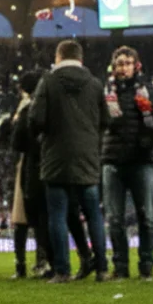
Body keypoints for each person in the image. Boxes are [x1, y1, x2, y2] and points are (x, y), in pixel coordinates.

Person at [30, 40, 109, 284]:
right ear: (80, 58)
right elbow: (106, 120)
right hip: (87, 157)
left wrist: (47, 136)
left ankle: (62, 270)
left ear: (58, 57)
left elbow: (35, 118)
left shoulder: (49, 81)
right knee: (93, 214)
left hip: (56, 156)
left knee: (57, 215)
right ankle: (102, 269)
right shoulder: (95, 84)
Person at [101, 47, 153, 281]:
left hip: (141, 160)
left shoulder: (147, 90)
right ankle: (120, 266)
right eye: (119, 63)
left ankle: (146, 266)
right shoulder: (105, 91)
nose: (123, 67)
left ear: (136, 65)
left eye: (128, 63)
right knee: (115, 218)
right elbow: (98, 122)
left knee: (146, 217)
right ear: (114, 66)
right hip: (113, 160)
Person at [10, 71, 50, 279]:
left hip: (29, 167)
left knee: (22, 219)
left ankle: (21, 265)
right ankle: (43, 261)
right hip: (51, 164)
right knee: (44, 218)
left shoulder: (27, 109)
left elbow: (16, 143)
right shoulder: (51, 106)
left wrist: (16, 120)